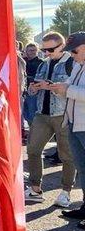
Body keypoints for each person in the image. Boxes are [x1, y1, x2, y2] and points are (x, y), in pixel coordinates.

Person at [25, 32, 76, 208]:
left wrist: (51, 87)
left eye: (50, 50)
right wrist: (34, 88)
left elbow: (73, 91)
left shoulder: (73, 63)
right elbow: (33, 91)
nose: (46, 53)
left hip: (63, 115)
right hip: (42, 114)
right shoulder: (43, 64)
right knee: (32, 150)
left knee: (67, 156)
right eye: (43, 49)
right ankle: (35, 189)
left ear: (62, 46)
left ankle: (65, 192)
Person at [50, 32, 85, 229]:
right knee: (82, 169)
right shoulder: (78, 65)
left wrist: (67, 90)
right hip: (74, 124)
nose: (71, 54)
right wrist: (59, 88)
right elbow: (70, 88)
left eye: (75, 50)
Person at [23, 43, 42, 126]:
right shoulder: (22, 61)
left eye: (34, 50)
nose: (32, 52)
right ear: (26, 51)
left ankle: (33, 132)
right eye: (30, 50)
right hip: (22, 91)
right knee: (24, 113)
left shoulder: (41, 63)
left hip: (34, 92)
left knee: (32, 114)